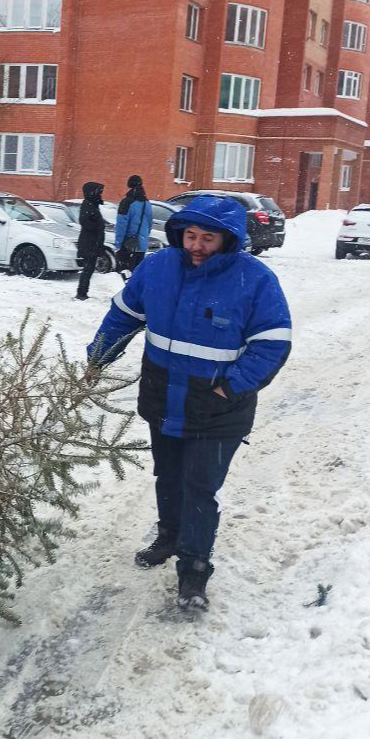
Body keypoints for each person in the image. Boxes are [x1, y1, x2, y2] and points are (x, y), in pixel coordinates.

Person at [86, 195, 291, 609]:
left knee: (200, 486)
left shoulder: (254, 279)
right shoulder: (158, 268)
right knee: (169, 474)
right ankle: (170, 536)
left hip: (218, 407)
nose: (196, 246)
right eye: (191, 236)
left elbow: (272, 344)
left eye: (208, 238)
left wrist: (229, 388)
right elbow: (125, 315)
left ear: (228, 240)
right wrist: (98, 357)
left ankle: (194, 571)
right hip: (164, 396)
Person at [114, 175, 153, 277]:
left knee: (126, 275)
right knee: (138, 275)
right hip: (141, 246)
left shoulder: (126, 202)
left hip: (128, 245)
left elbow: (121, 225)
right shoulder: (147, 203)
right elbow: (149, 224)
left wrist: (118, 243)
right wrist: (143, 238)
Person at [75, 181, 107, 300]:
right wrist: (97, 226)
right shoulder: (87, 205)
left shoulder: (92, 205)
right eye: (98, 192)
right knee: (88, 269)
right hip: (89, 243)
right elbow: (85, 222)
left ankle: (83, 292)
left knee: (89, 269)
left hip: (92, 242)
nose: (100, 194)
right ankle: (81, 293)